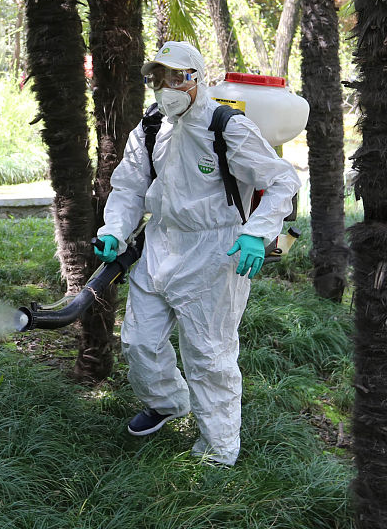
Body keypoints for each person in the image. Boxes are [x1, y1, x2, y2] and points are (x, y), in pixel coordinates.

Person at [93, 40, 299, 466]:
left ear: (194, 79)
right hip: (161, 243)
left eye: (172, 77)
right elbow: (130, 186)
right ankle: (168, 403)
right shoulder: (151, 126)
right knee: (138, 342)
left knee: (209, 356)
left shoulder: (228, 127)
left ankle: (219, 451)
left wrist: (256, 233)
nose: (163, 87)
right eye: (156, 78)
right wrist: (115, 229)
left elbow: (282, 181)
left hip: (215, 251)